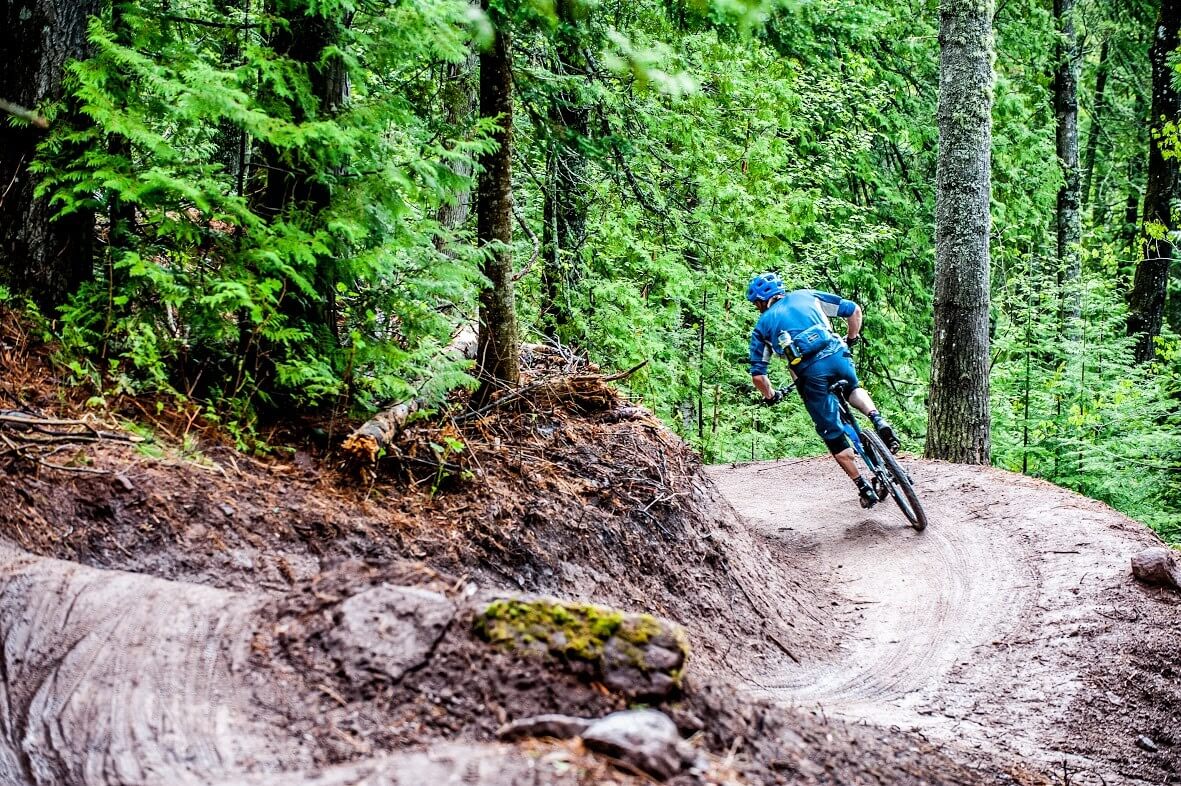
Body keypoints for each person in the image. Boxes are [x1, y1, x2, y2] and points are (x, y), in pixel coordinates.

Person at [745, 271, 900, 508]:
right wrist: (851, 338)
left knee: (832, 433)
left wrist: (771, 395)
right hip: (838, 356)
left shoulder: (762, 326)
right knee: (853, 388)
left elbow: (758, 375)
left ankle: (863, 487)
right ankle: (877, 419)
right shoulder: (807, 296)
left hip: (811, 375)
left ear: (761, 301)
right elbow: (854, 310)